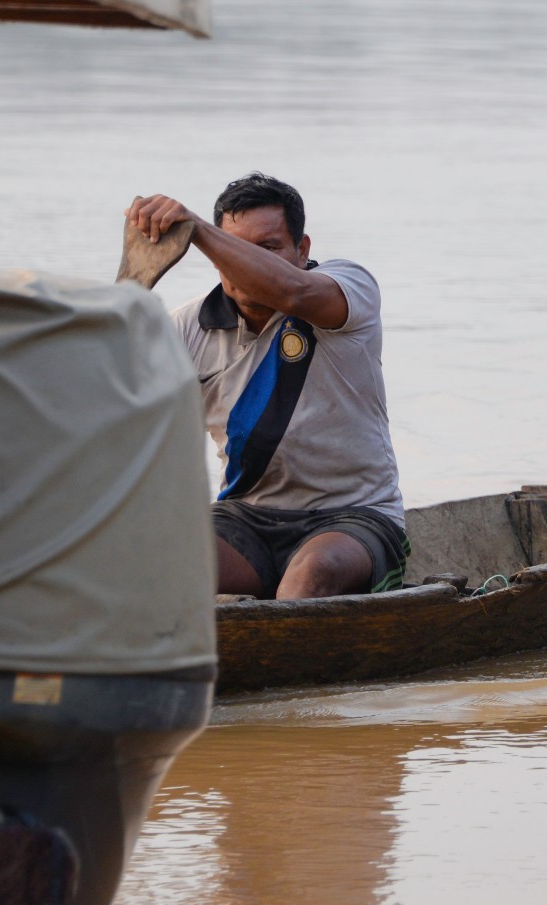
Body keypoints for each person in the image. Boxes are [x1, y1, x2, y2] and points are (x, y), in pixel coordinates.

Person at [128, 173, 409, 598]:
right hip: (245, 518)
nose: (245, 265)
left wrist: (196, 228)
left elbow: (290, 292)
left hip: (353, 516)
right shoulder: (186, 328)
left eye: (268, 248)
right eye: (234, 249)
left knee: (310, 577)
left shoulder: (347, 288)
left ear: (303, 250)